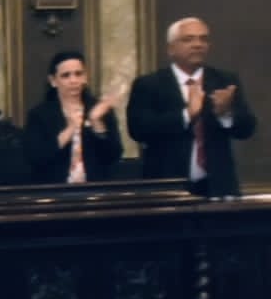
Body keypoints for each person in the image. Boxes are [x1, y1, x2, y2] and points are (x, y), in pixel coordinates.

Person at [127, 16, 257, 198]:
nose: (198, 44)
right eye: (188, 39)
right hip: (167, 186)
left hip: (218, 187)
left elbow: (247, 128)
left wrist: (225, 115)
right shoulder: (149, 84)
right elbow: (138, 130)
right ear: (171, 49)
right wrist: (186, 115)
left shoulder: (225, 81)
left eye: (203, 39)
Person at [23, 50, 123, 184]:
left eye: (78, 74)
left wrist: (96, 122)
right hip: (53, 191)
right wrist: (70, 130)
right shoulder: (39, 115)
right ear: (53, 81)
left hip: (96, 190)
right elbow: (36, 158)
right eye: (66, 76)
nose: (73, 80)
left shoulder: (100, 110)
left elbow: (113, 155)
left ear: (85, 77)